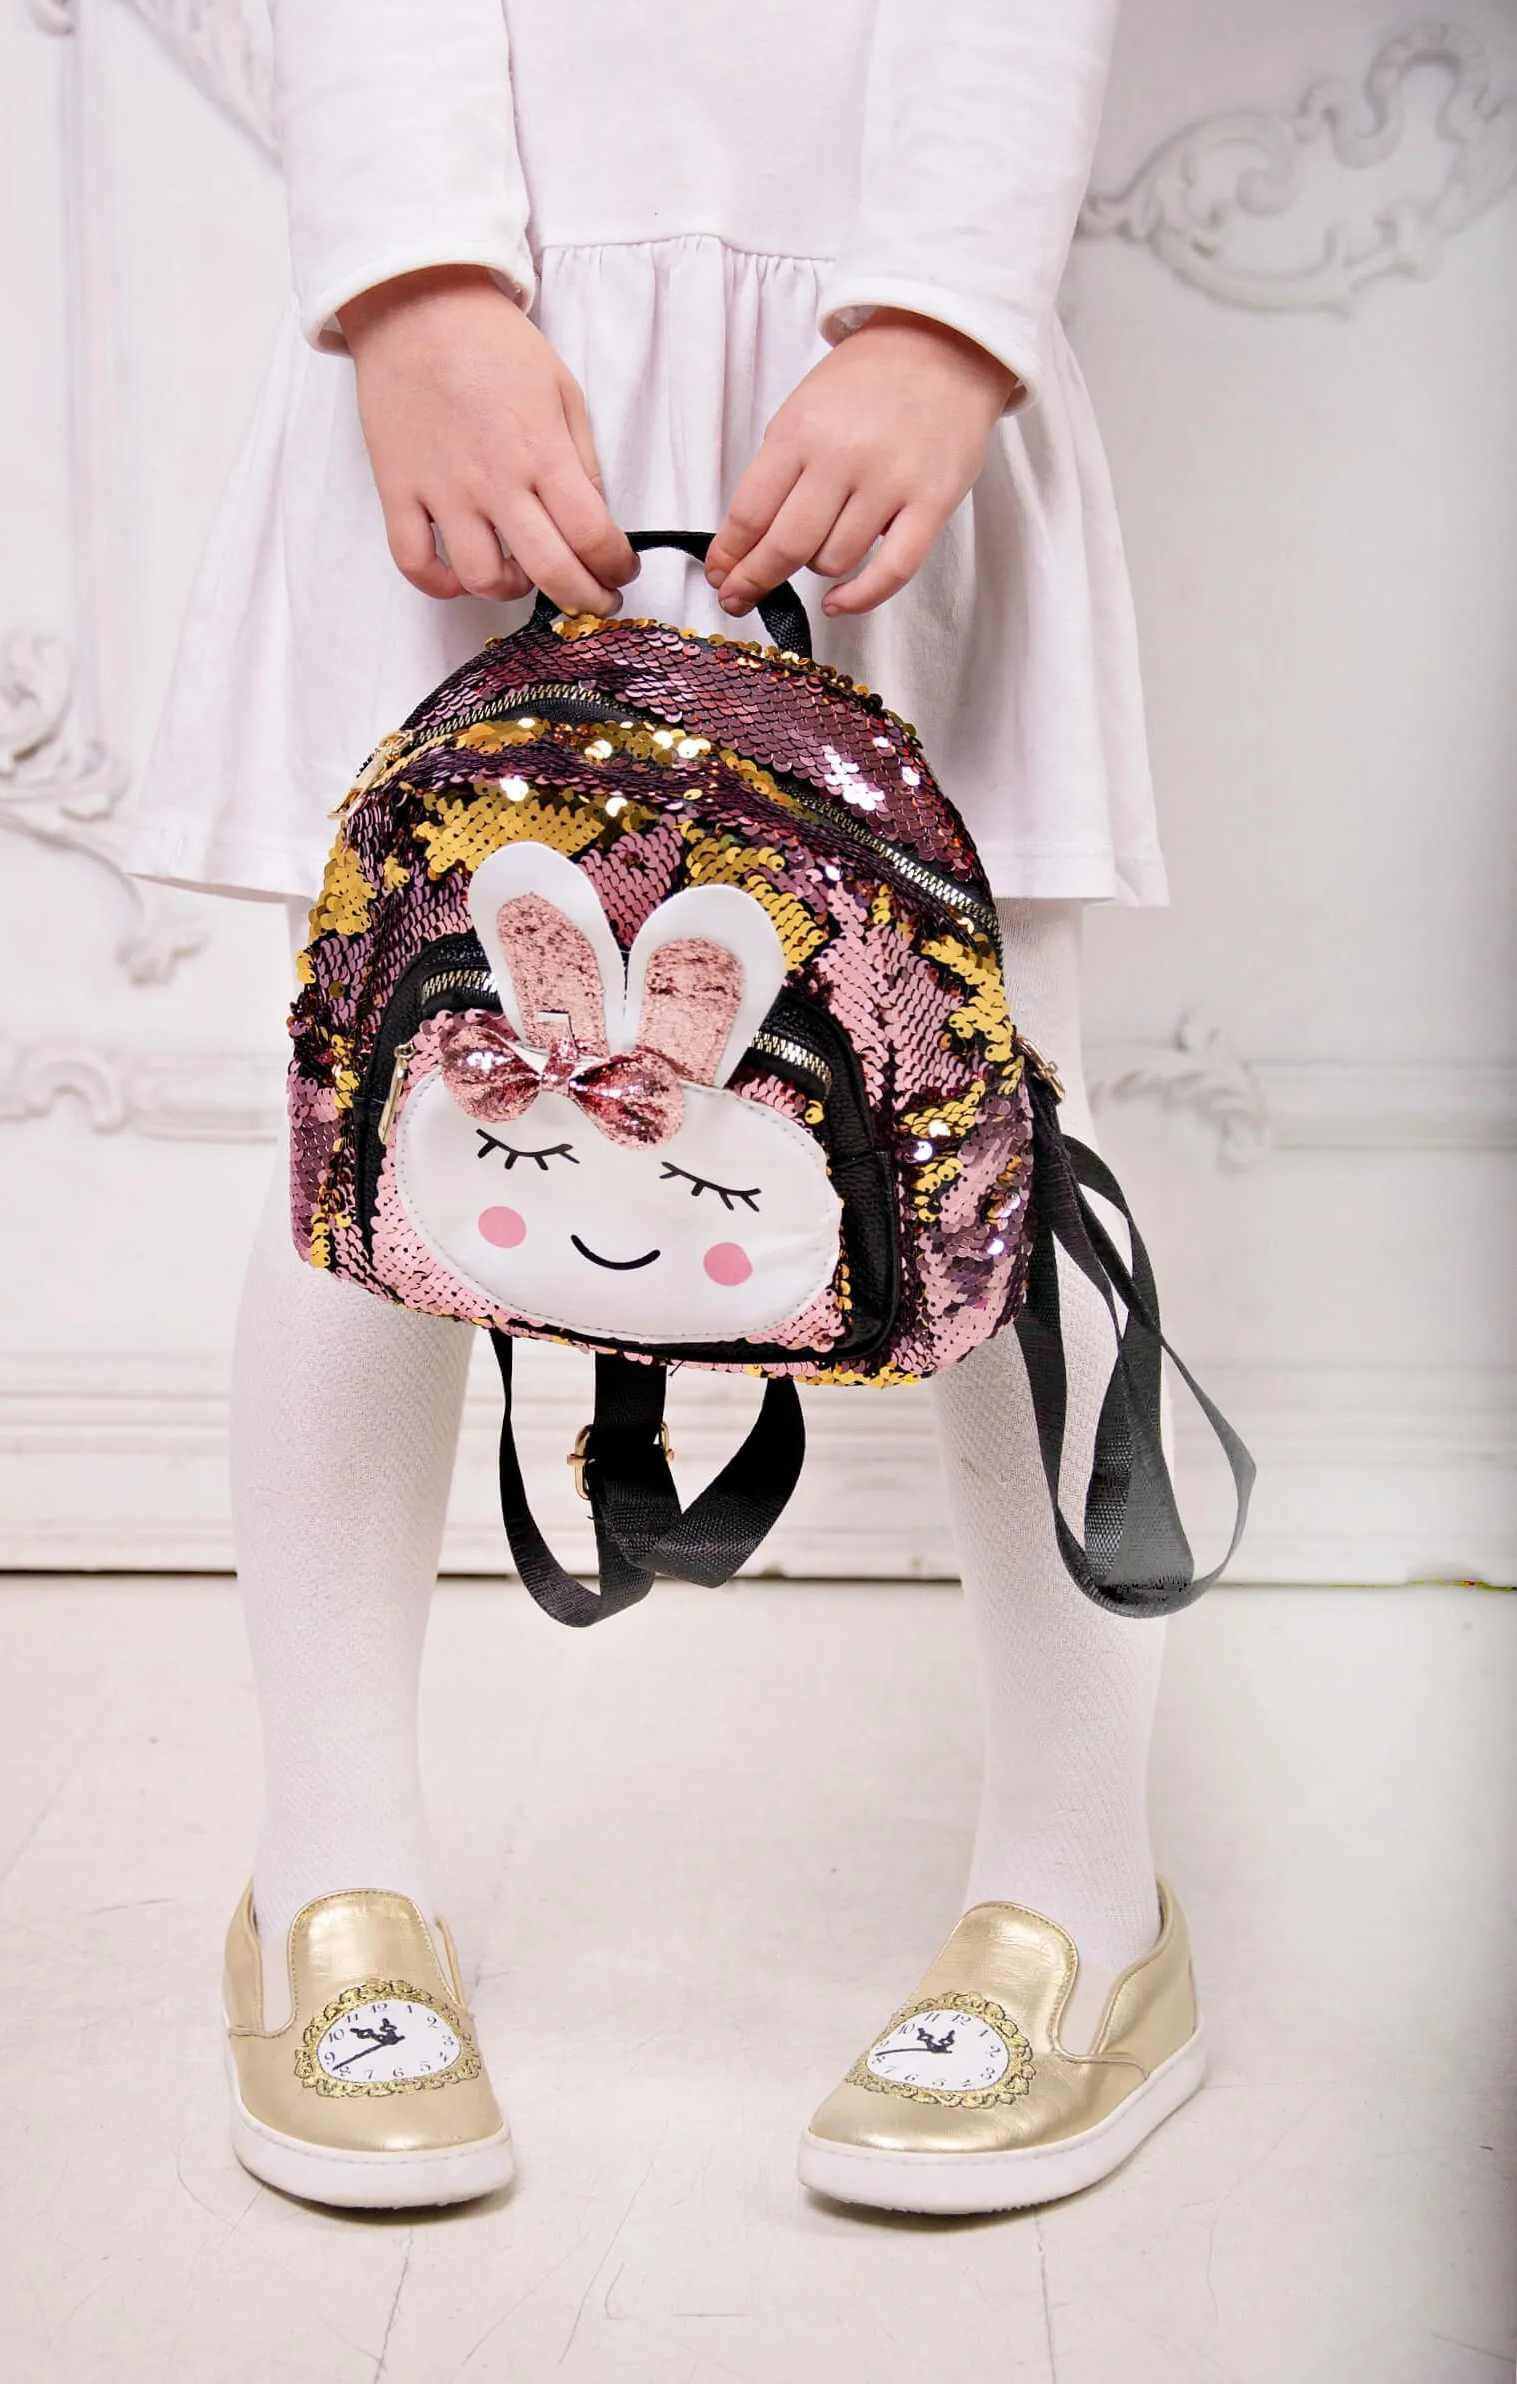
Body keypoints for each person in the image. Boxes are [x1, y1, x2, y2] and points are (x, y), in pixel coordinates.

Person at [131, 0, 1197, 2216]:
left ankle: (1084, 1898)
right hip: (484, 357)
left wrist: (947, 311)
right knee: (380, 1110)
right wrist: (412, 276)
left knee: (1006, 1115)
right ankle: (327, 1877)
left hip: (880, 363)